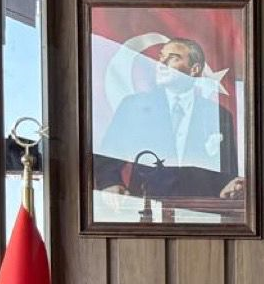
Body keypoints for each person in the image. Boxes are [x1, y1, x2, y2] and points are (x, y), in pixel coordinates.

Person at [93, 37, 245, 201]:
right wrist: (111, 184)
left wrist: (230, 186)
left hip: (202, 211)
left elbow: (227, 173)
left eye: (173, 58)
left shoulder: (218, 114)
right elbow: (107, 158)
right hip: (147, 208)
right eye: (160, 57)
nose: (161, 64)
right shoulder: (134, 106)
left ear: (194, 69)